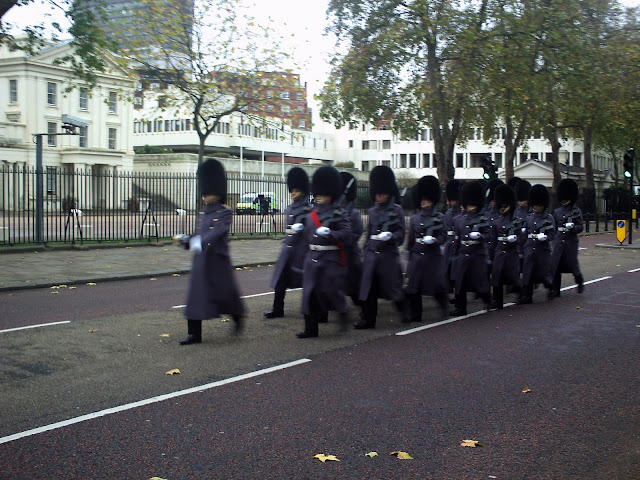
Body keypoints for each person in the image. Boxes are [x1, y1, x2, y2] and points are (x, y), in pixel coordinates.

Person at [180, 158, 244, 345]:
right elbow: (199, 234)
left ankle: (237, 316)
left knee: (224, 295)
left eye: (209, 191)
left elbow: (216, 233)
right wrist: (186, 240)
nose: (205, 195)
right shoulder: (203, 213)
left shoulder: (224, 213)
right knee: (196, 295)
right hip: (201, 261)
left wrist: (197, 242)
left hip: (217, 261)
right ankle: (194, 334)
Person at [298, 166, 351, 338]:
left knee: (330, 292)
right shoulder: (310, 215)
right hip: (312, 258)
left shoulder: (339, 213)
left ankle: (342, 313)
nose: (318, 195)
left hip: (329, 258)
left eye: (322, 193)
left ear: (331, 193)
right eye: (317, 193)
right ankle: (310, 329)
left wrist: (330, 234)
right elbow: (306, 238)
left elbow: (346, 234)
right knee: (309, 294)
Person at [355, 165, 409, 329]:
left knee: (394, 288)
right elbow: (369, 233)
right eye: (376, 193)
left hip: (388, 256)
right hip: (372, 255)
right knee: (368, 289)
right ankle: (368, 320)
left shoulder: (397, 210)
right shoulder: (372, 211)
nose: (377, 196)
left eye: (381, 193)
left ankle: (404, 311)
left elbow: (401, 234)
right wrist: (364, 251)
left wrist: (390, 236)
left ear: (388, 192)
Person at [264, 167, 311, 319]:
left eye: (296, 190)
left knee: (308, 282)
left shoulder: (308, 210)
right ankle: (277, 308)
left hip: (301, 251)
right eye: (292, 190)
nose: (293, 193)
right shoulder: (290, 208)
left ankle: (315, 311)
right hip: (288, 250)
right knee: (280, 280)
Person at [405, 176, 449, 322]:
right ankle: (415, 315)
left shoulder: (439, 217)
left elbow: (443, 236)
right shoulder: (415, 218)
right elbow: (411, 238)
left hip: (432, 257)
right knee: (414, 288)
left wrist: (435, 240)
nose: (423, 201)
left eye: (426, 199)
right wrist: (409, 252)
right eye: (422, 199)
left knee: (436, 286)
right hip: (417, 256)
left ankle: (444, 307)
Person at [449, 180, 493, 316]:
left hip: (477, 255)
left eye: (472, 204)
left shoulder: (483, 219)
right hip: (463, 254)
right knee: (460, 283)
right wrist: (454, 254)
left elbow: (489, 235)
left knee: (479, 282)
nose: (470, 207)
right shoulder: (458, 220)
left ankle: (487, 300)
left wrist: (480, 236)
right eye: (469, 204)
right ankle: (460, 308)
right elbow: (457, 238)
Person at [489, 184, 524, 309]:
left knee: (513, 277)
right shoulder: (496, 222)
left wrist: (515, 239)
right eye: (501, 206)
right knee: (497, 277)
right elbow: (493, 240)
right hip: (499, 252)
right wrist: (491, 255)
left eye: (505, 206)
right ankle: (497, 300)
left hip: (511, 252)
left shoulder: (516, 221)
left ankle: (520, 294)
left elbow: (521, 237)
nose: (503, 209)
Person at [519, 184, 556, 304]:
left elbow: (552, 233)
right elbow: (525, 232)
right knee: (527, 272)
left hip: (542, 250)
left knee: (543, 273)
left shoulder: (548, 218)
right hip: (530, 248)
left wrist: (545, 237)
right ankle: (527, 296)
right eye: (535, 205)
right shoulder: (529, 217)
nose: (536, 207)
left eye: (538, 205)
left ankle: (551, 287)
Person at [550, 178, 585, 297]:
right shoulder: (557, 212)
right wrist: (554, 238)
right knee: (555, 264)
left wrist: (573, 227)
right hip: (559, 240)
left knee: (572, 264)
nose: (564, 200)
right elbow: (554, 227)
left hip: (571, 241)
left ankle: (579, 281)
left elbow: (580, 227)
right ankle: (555, 289)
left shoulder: (576, 211)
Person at [340, 171, 364, 307]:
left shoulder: (353, 213)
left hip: (350, 253)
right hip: (338, 253)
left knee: (353, 284)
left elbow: (358, 232)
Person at [443, 179, 462, 303]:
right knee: (448, 271)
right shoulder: (448, 213)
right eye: (452, 199)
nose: (453, 202)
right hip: (449, 244)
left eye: (455, 199)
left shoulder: (462, 212)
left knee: (457, 272)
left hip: (458, 245)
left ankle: (458, 295)